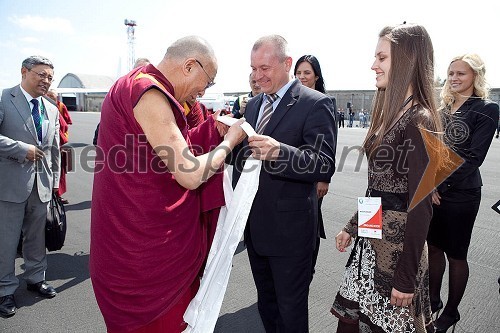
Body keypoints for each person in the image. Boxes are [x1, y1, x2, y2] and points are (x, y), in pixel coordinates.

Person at [89, 36, 246, 333]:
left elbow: (156, 152)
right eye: (207, 81)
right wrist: (228, 142)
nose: (203, 91)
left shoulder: (131, 83)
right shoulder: (148, 92)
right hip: (143, 259)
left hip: (124, 243)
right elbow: (188, 172)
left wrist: (211, 128)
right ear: (189, 66)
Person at [331, 23, 443, 333]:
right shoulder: (390, 115)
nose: (373, 65)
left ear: (407, 60)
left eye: (382, 58)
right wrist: (355, 227)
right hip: (370, 248)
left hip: (397, 260)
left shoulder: (419, 119)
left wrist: (406, 278)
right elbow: (380, 190)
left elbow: (420, 206)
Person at [229, 35, 337, 332]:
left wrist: (280, 152)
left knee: (290, 312)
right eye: (253, 68)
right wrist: (226, 144)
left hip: (291, 234)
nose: (257, 75)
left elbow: (323, 163)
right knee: (267, 305)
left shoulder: (316, 103)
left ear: (287, 64)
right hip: (255, 227)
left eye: (265, 67)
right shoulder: (252, 106)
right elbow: (246, 159)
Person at [427, 54, 499, 333]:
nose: (454, 79)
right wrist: (429, 184)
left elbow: (473, 157)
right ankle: (433, 300)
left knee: (456, 254)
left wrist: (438, 185)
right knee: (433, 248)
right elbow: (431, 150)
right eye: (451, 73)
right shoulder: (442, 108)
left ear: (476, 77)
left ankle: (451, 312)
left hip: (462, 194)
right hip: (432, 190)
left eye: (462, 74)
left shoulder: (486, 109)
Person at [0, 55, 60, 318]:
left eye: (49, 77)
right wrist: (20, 149)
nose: (46, 80)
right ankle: (5, 290)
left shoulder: (52, 109)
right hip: (9, 185)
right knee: (6, 240)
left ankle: (36, 278)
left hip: (42, 185)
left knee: (37, 238)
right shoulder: (4, 98)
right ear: (24, 72)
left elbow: (55, 150)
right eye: (41, 74)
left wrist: (55, 183)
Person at [294, 54, 337, 281]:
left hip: (314, 174)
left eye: (307, 73)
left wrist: (324, 177)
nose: (302, 77)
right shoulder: (292, 100)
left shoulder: (323, 102)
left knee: (311, 223)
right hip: (294, 170)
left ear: (316, 76)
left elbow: (329, 145)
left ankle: (308, 267)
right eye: (298, 73)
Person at [92, 58, 150, 146]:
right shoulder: (119, 93)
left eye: (145, 71)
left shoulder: (153, 95)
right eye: (138, 70)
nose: (142, 74)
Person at [46, 89, 72, 204]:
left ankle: (57, 195)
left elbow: (65, 124)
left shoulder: (59, 107)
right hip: (44, 146)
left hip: (57, 143)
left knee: (58, 170)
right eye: (49, 96)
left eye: (53, 97)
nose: (51, 98)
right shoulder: (44, 105)